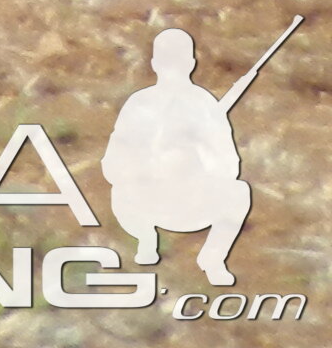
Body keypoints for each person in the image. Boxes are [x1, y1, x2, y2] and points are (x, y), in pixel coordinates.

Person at [102, 28, 256, 286]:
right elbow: (113, 164)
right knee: (121, 192)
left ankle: (213, 258)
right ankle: (146, 240)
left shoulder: (204, 105)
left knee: (239, 192)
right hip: (148, 200)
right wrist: (147, 167)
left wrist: (199, 149)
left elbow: (229, 167)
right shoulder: (140, 105)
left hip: (192, 200)